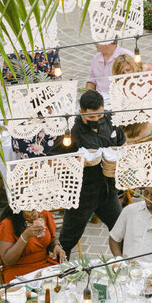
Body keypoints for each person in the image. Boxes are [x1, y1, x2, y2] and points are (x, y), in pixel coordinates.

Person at [58, 89, 128, 255]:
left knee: (121, 231)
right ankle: (57, 271)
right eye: (91, 118)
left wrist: (121, 156)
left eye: (99, 116)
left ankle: (125, 266)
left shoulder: (110, 119)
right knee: (68, 239)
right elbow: (59, 162)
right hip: (82, 192)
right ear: (81, 112)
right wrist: (79, 162)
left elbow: (122, 143)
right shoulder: (71, 130)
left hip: (107, 188)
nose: (96, 120)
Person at [0, 205, 66, 283]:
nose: (35, 214)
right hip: (18, 271)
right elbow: (8, 261)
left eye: (38, 208)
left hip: (44, 266)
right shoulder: (7, 224)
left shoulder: (44, 215)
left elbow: (52, 239)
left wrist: (56, 245)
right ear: (19, 210)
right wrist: (24, 237)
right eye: (30, 210)